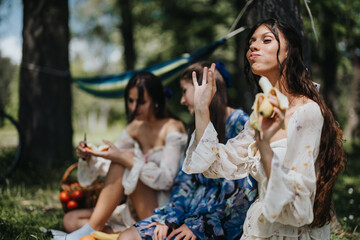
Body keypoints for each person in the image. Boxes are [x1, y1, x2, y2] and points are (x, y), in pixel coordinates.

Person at [182, 19, 345, 239]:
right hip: (258, 228)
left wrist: (264, 145)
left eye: (266, 40)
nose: (253, 46)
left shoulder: (307, 112)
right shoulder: (262, 114)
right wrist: (203, 110)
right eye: (251, 42)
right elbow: (216, 165)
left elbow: (298, 208)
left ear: (289, 52)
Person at [114, 61, 257, 240]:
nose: (181, 100)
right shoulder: (196, 129)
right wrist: (169, 218)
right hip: (187, 215)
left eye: (184, 91)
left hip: (217, 224)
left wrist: (199, 226)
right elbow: (184, 182)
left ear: (204, 89)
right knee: (127, 237)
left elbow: (243, 193)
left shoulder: (240, 124)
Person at [60, 72, 187, 240]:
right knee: (70, 219)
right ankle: (112, 234)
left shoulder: (172, 127)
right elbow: (112, 163)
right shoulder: (135, 127)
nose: (134, 108)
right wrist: (89, 156)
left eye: (141, 102)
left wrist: (124, 158)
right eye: (131, 101)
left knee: (125, 157)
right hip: (134, 207)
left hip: (162, 211)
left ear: (156, 101)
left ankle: (92, 230)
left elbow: (166, 179)